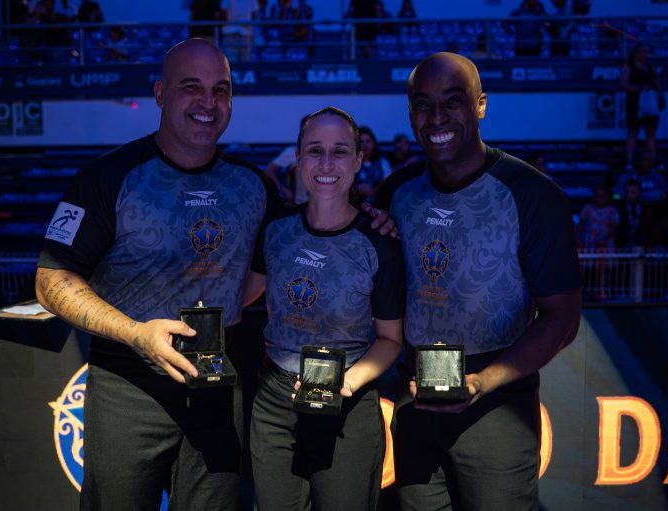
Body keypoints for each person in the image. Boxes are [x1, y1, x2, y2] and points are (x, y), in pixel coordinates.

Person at [34, 39, 283, 511]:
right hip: (128, 383)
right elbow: (50, 281)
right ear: (161, 93)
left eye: (221, 89)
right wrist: (137, 332)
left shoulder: (254, 186)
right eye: (192, 87)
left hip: (216, 383)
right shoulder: (107, 177)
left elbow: (268, 270)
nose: (208, 102)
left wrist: (373, 219)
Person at [374, 52, 582, 510]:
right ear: (410, 112)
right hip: (415, 399)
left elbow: (563, 319)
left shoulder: (532, 195)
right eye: (423, 105)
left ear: (481, 104)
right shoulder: (395, 193)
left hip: (498, 407)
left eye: (453, 101)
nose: (436, 117)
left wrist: (485, 380)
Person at [247, 107, 405, 510]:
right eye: (315, 150)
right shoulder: (275, 231)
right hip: (275, 405)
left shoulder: (379, 242)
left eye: (340, 151)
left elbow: (390, 339)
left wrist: (347, 382)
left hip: (348, 408)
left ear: (359, 159)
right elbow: (240, 295)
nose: (326, 163)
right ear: (299, 157)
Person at [619, 44, 664, 166]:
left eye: (646, 52)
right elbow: (622, 85)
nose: (646, 55)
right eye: (643, 52)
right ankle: (629, 161)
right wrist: (639, 88)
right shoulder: (628, 68)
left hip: (651, 105)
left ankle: (652, 160)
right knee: (633, 132)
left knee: (651, 133)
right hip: (635, 104)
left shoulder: (650, 68)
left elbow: (657, 84)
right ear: (636, 54)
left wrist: (660, 96)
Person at [354, 126, 391, 203]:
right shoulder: (351, 164)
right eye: (361, 142)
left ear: (374, 144)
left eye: (368, 141)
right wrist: (358, 189)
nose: (365, 145)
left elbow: (388, 187)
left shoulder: (383, 163)